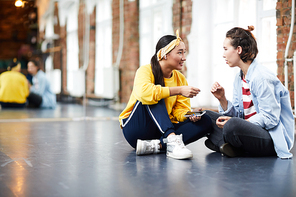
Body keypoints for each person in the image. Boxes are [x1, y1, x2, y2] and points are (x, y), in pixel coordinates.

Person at [119, 30, 212, 160]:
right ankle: (171, 141)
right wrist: (178, 90)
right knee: (154, 95)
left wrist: (190, 115)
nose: (184, 57)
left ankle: (158, 145)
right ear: (164, 54)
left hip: (159, 132)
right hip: (136, 129)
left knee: (206, 121)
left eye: (184, 52)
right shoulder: (145, 70)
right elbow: (145, 93)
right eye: (179, 52)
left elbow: (179, 112)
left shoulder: (180, 78)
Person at [205, 26, 294, 159]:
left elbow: (271, 118)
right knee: (206, 117)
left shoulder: (261, 77)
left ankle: (227, 144)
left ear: (238, 50)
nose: (223, 54)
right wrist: (222, 99)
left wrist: (238, 123)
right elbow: (239, 114)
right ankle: (234, 146)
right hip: (247, 132)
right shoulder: (239, 78)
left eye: (225, 49)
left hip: (269, 138)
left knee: (232, 125)